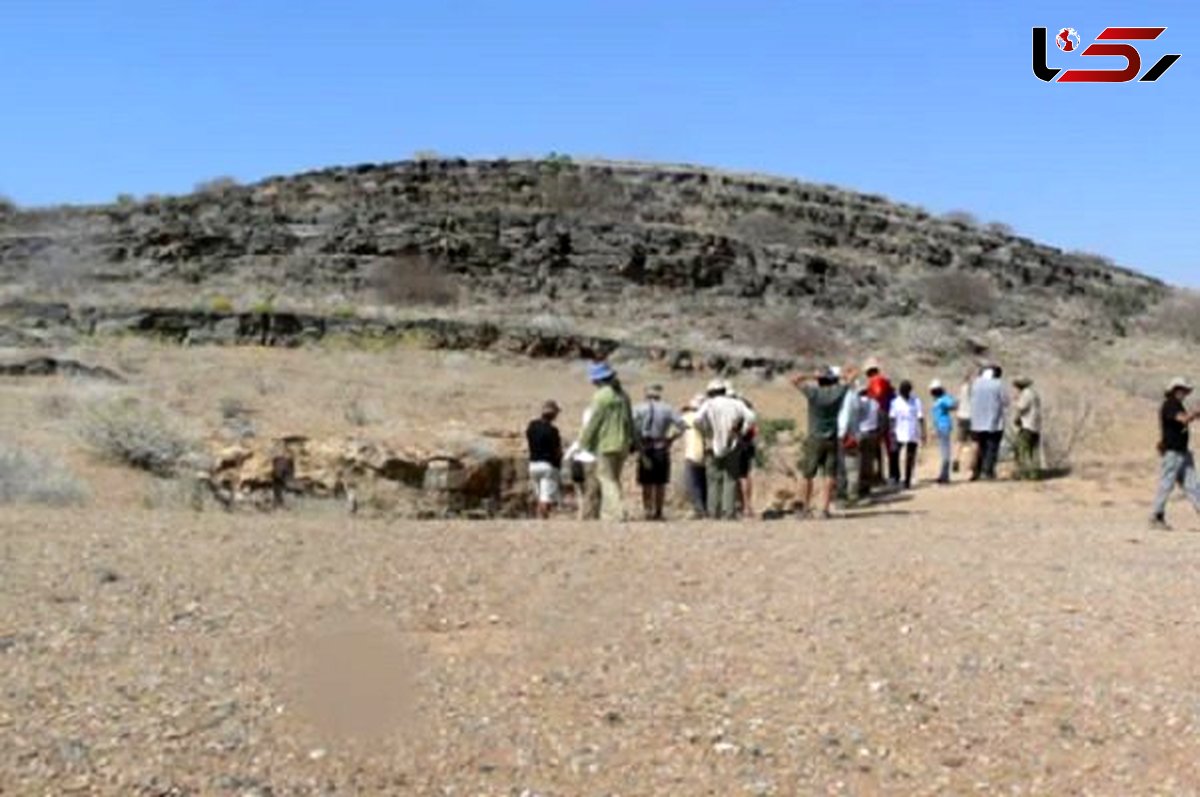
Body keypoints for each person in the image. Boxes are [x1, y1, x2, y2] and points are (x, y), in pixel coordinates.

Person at [793, 365, 857, 519]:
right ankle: (824, 509)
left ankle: (805, 508)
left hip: (815, 436)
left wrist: (812, 375)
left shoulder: (813, 393)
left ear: (819, 381)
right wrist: (839, 377)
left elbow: (795, 380)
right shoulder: (837, 393)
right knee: (829, 475)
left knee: (808, 473)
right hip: (832, 437)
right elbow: (852, 376)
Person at [579, 361, 637, 521]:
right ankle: (608, 513)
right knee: (614, 479)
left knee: (606, 479)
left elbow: (594, 422)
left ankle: (618, 512)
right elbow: (630, 422)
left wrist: (583, 442)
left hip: (606, 443)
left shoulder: (602, 395)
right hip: (623, 443)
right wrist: (636, 443)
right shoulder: (624, 395)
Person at [694, 379, 756, 520]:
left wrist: (706, 432)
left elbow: (697, 420)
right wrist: (741, 431)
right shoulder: (736, 403)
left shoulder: (708, 404)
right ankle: (729, 512)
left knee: (713, 479)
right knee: (731, 478)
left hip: (712, 445)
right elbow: (751, 417)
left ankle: (713, 512)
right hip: (733, 444)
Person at [1150, 377, 1200, 530]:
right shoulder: (1170, 405)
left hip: (1182, 452)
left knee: (1193, 485)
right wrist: (1195, 413)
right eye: (1182, 390)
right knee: (1166, 484)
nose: (1184, 393)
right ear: (1175, 390)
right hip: (1173, 453)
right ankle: (1156, 515)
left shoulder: (1177, 405)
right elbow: (1183, 419)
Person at [633, 384, 686, 520]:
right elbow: (682, 425)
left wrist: (636, 442)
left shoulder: (638, 408)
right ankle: (658, 511)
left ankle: (647, 510)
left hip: (645, 447)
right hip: (661, 446)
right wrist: (671, 439)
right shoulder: (668, 409)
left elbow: (631, 426)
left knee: (646, 482)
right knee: (660, 482)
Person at [525, 400, 564, 518]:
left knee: (539, 496)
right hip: (548, 466)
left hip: (533, 465)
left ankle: (539, 518)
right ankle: (543, 520)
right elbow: (557, 451)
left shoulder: (532, 426)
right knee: (546, 498)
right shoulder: (553, 431)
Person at [970, 366, 1008, 480]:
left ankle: (976, 471)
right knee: (992, 448)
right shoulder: (998, 384)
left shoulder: (976, 383)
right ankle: (987, 472)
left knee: (980, 447)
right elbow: (1005, 401)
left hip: (977, 422)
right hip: (994, 423)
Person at [727, 384, 758, 517]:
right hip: (748, 444)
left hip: (737, 444)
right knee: (745, 475)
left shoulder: (735, 409)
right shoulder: (746, 406)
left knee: (739, 476)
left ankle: (742, 506)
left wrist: (736, 433)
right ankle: (746, 505)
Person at [864, 358, 896, 485]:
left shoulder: (876, 380)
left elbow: (878, 394)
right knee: (885, 445)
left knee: (878, 446)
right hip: (885, 412)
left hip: (880, 413)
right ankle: (886, 474)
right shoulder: (884, 381)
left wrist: (869, 396)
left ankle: (882, 475)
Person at [889, 380, 926, 489]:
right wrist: (892, 431)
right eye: (903, 391)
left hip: (912, 431)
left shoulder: (916, 401)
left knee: (910, 456)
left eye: (907, 391)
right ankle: (896, 476)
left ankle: (907, 480)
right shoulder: (895, 402)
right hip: (898, 431)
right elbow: (892, 418)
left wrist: (923, 432)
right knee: (894, 453)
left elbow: (921, 417)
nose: (905, 393)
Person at [564, 405, 599, 520]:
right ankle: (589, 516)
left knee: (581, 493)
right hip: (591, 462)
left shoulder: (583, 432)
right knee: (591, 493)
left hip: (578, 463)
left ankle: (582, 515)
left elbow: (570, 451)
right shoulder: (595, 433)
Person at [679, 394, 709, 519]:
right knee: (704, 482)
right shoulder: (706, 418)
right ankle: (706, 508)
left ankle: (698, 509)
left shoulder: (687, 417)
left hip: (691, 453)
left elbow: (676, 425)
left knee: (692, 483)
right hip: (706, 453)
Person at [1012, 376, 1043, 480]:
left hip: (1027, 425)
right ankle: (1035, 473)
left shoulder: (1026, 394)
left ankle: (1024, 473)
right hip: (1036, 425)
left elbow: (1021, 408)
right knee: (1034, 450)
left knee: (1023, 450)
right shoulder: (1034, 393)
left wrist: (1015, 400)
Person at [929, 380, 957, 485]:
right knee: (943, 451)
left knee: (945, 452)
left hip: (944, 427)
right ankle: (943, 475)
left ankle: (945, 475)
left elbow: (953, 405)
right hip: (940, 428)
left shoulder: (943, 399)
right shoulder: (938, 400)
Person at [856, 386, 882, 499]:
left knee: (858, 462)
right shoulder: (875, 403)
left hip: (860, 434)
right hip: (872, 434)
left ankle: (858, 487)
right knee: (869, 461)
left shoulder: (857, 403)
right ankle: (866, 487)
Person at [954, 370, 974, 473]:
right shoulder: (974, 389)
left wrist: (957, 413)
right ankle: (970, 464)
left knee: (960, 441)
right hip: (971, 417)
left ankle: (956, 460)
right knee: (972, 442)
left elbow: (957, 402)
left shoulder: (961, 389)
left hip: (961, 416)